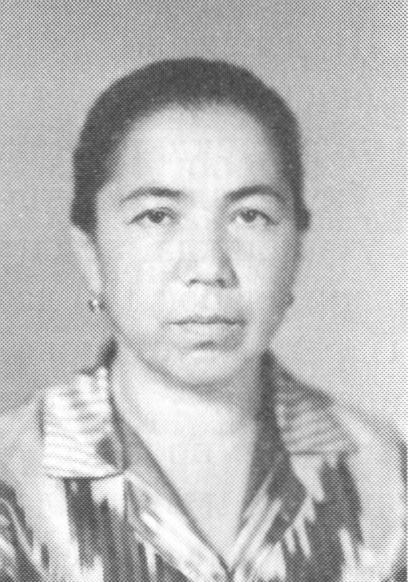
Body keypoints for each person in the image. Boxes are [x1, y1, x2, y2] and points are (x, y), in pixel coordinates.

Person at [0, 58, 405, 582]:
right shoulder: (13, 478)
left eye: (250, 216)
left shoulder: (384, 477)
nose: (209, 268)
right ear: (91, 254)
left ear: (296, 250)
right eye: (157, 216)